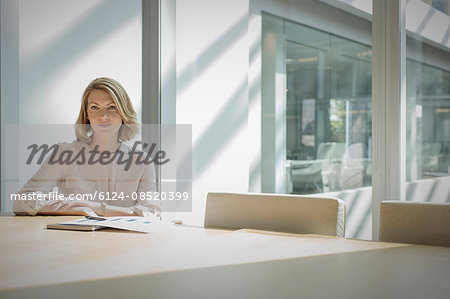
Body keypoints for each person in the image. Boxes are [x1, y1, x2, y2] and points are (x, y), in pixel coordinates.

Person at [13, 77, 161, 218]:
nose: (103, 115)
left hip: (126, 241)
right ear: (87, 114)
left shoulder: (142, 161)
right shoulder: (63, 154)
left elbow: (151, 212)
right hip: (74, 241)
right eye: (94, 107)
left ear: (123, 113)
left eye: (111, 107)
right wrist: (78, 210)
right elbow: (21, 201)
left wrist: (91, 206)